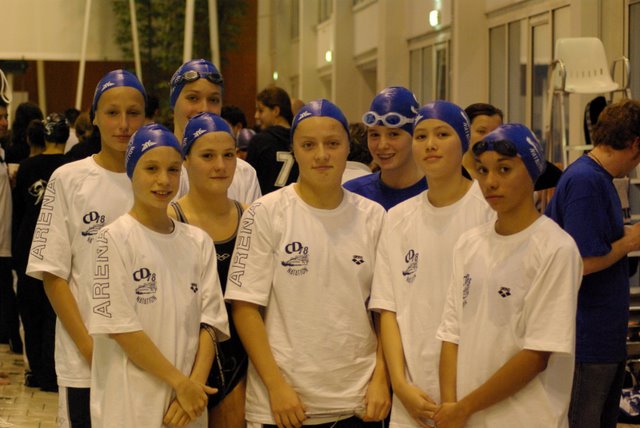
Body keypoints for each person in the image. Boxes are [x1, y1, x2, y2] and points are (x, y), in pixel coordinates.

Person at [226, 99, 391, 428]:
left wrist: (381, 379)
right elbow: (245, 308)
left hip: (358, 401)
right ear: (294, 151)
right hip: (284, 405)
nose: (321, 155)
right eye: (309, 145)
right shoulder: (265, 213)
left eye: (332, 144)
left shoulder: (373, 217)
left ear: (348, 148)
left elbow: (386, 310)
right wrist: (275, 386)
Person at [435, 124, 582, 427]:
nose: (490, 182)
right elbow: (451, 334)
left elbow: (537, 354)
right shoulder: (468, 244)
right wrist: (451, 406)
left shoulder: (556, 249)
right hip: (467, 419)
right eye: (483, 171)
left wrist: (463, 408)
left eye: (504, 170)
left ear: (532, 173)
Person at [26, 69, 146, 427]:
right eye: (112, 112)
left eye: (133, 113)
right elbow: (53, 274)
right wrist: (90, 349)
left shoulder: (166, 179)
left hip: (153, 359)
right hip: (86, 361)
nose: (123, 124)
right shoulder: (69, 179)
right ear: (93, 117)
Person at [88, 123, 229, 428]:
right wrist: (180, 382)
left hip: (187, 406)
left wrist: (194, 385)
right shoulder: (113, 239)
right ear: (131, 171)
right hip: (129, 406)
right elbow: (122, 328)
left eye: (173, 170)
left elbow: (211, 323)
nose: (163, 180)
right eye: (151, 168)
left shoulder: (198, 242)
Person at [370, 100, 495, 428]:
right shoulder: (397, 219)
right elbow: (388, 310)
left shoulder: (488, 212)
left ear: (463, 143)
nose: (430, 144)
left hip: (476, 396)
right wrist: (400, 385)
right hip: (414, 399)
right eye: (421, 136)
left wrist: (466, 400)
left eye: (442, 134)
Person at [545, 99, 640, 428]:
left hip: (603, 336)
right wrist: (630, 242)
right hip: (587, 338)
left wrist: (624, 235)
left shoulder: (598, 178)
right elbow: (582, 263)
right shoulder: (586, 181)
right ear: (635, 144)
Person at [170, 112, 248, 428]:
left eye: (228, 155)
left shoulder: (251, 219)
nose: (220, 165)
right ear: (185, 160)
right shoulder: (169, 220)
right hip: (183, 359)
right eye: (207, 156)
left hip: (239, 359)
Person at [13, 113, 69, 391]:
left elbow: (18, 213)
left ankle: (36, 371)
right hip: (59, 247)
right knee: (56, 313)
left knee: (32, 313)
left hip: (28, 246)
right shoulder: (72, 167)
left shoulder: (26, 167)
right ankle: (52, 372)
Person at [170, 59, 262, 205]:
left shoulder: (243, 174)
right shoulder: (155, 171)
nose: (204, 109)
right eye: (193, 98)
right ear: (173, 102)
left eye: (213, 100)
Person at [343, 86, 426, 211]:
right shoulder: (353, 195)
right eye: (374, 135)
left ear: (415, 136)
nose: (382, 145)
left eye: (393, 134)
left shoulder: (438, 193)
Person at [248, 86, 299, 195]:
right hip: (295, 203)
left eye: (261, 110)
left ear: (276, 111)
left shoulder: (259, 141)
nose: (256, 115)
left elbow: (248, 181)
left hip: (264, 203)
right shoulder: (300, 141)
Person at [461, 103, 503, 178]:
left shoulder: (506, 175)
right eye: (481, 131)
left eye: (495, 132)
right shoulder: (449, 174)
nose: (489, 138)